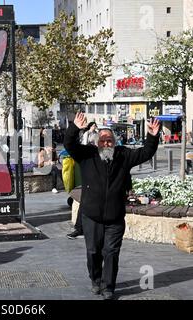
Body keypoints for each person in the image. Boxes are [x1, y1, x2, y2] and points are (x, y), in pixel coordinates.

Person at [64, 112, 160, 300]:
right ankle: (95, 279)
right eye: (103, 141)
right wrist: (74, 128)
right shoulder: (87, 155)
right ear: (97, 142)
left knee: (111, 252)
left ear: (114, 142)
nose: (106, 144)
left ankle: (108, 287)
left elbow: (145, 153)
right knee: (93, 252)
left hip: (115, 217)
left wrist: (152, 136)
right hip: (91, 216)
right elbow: (70, 145)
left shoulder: (123, 156)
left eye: (109, 141)